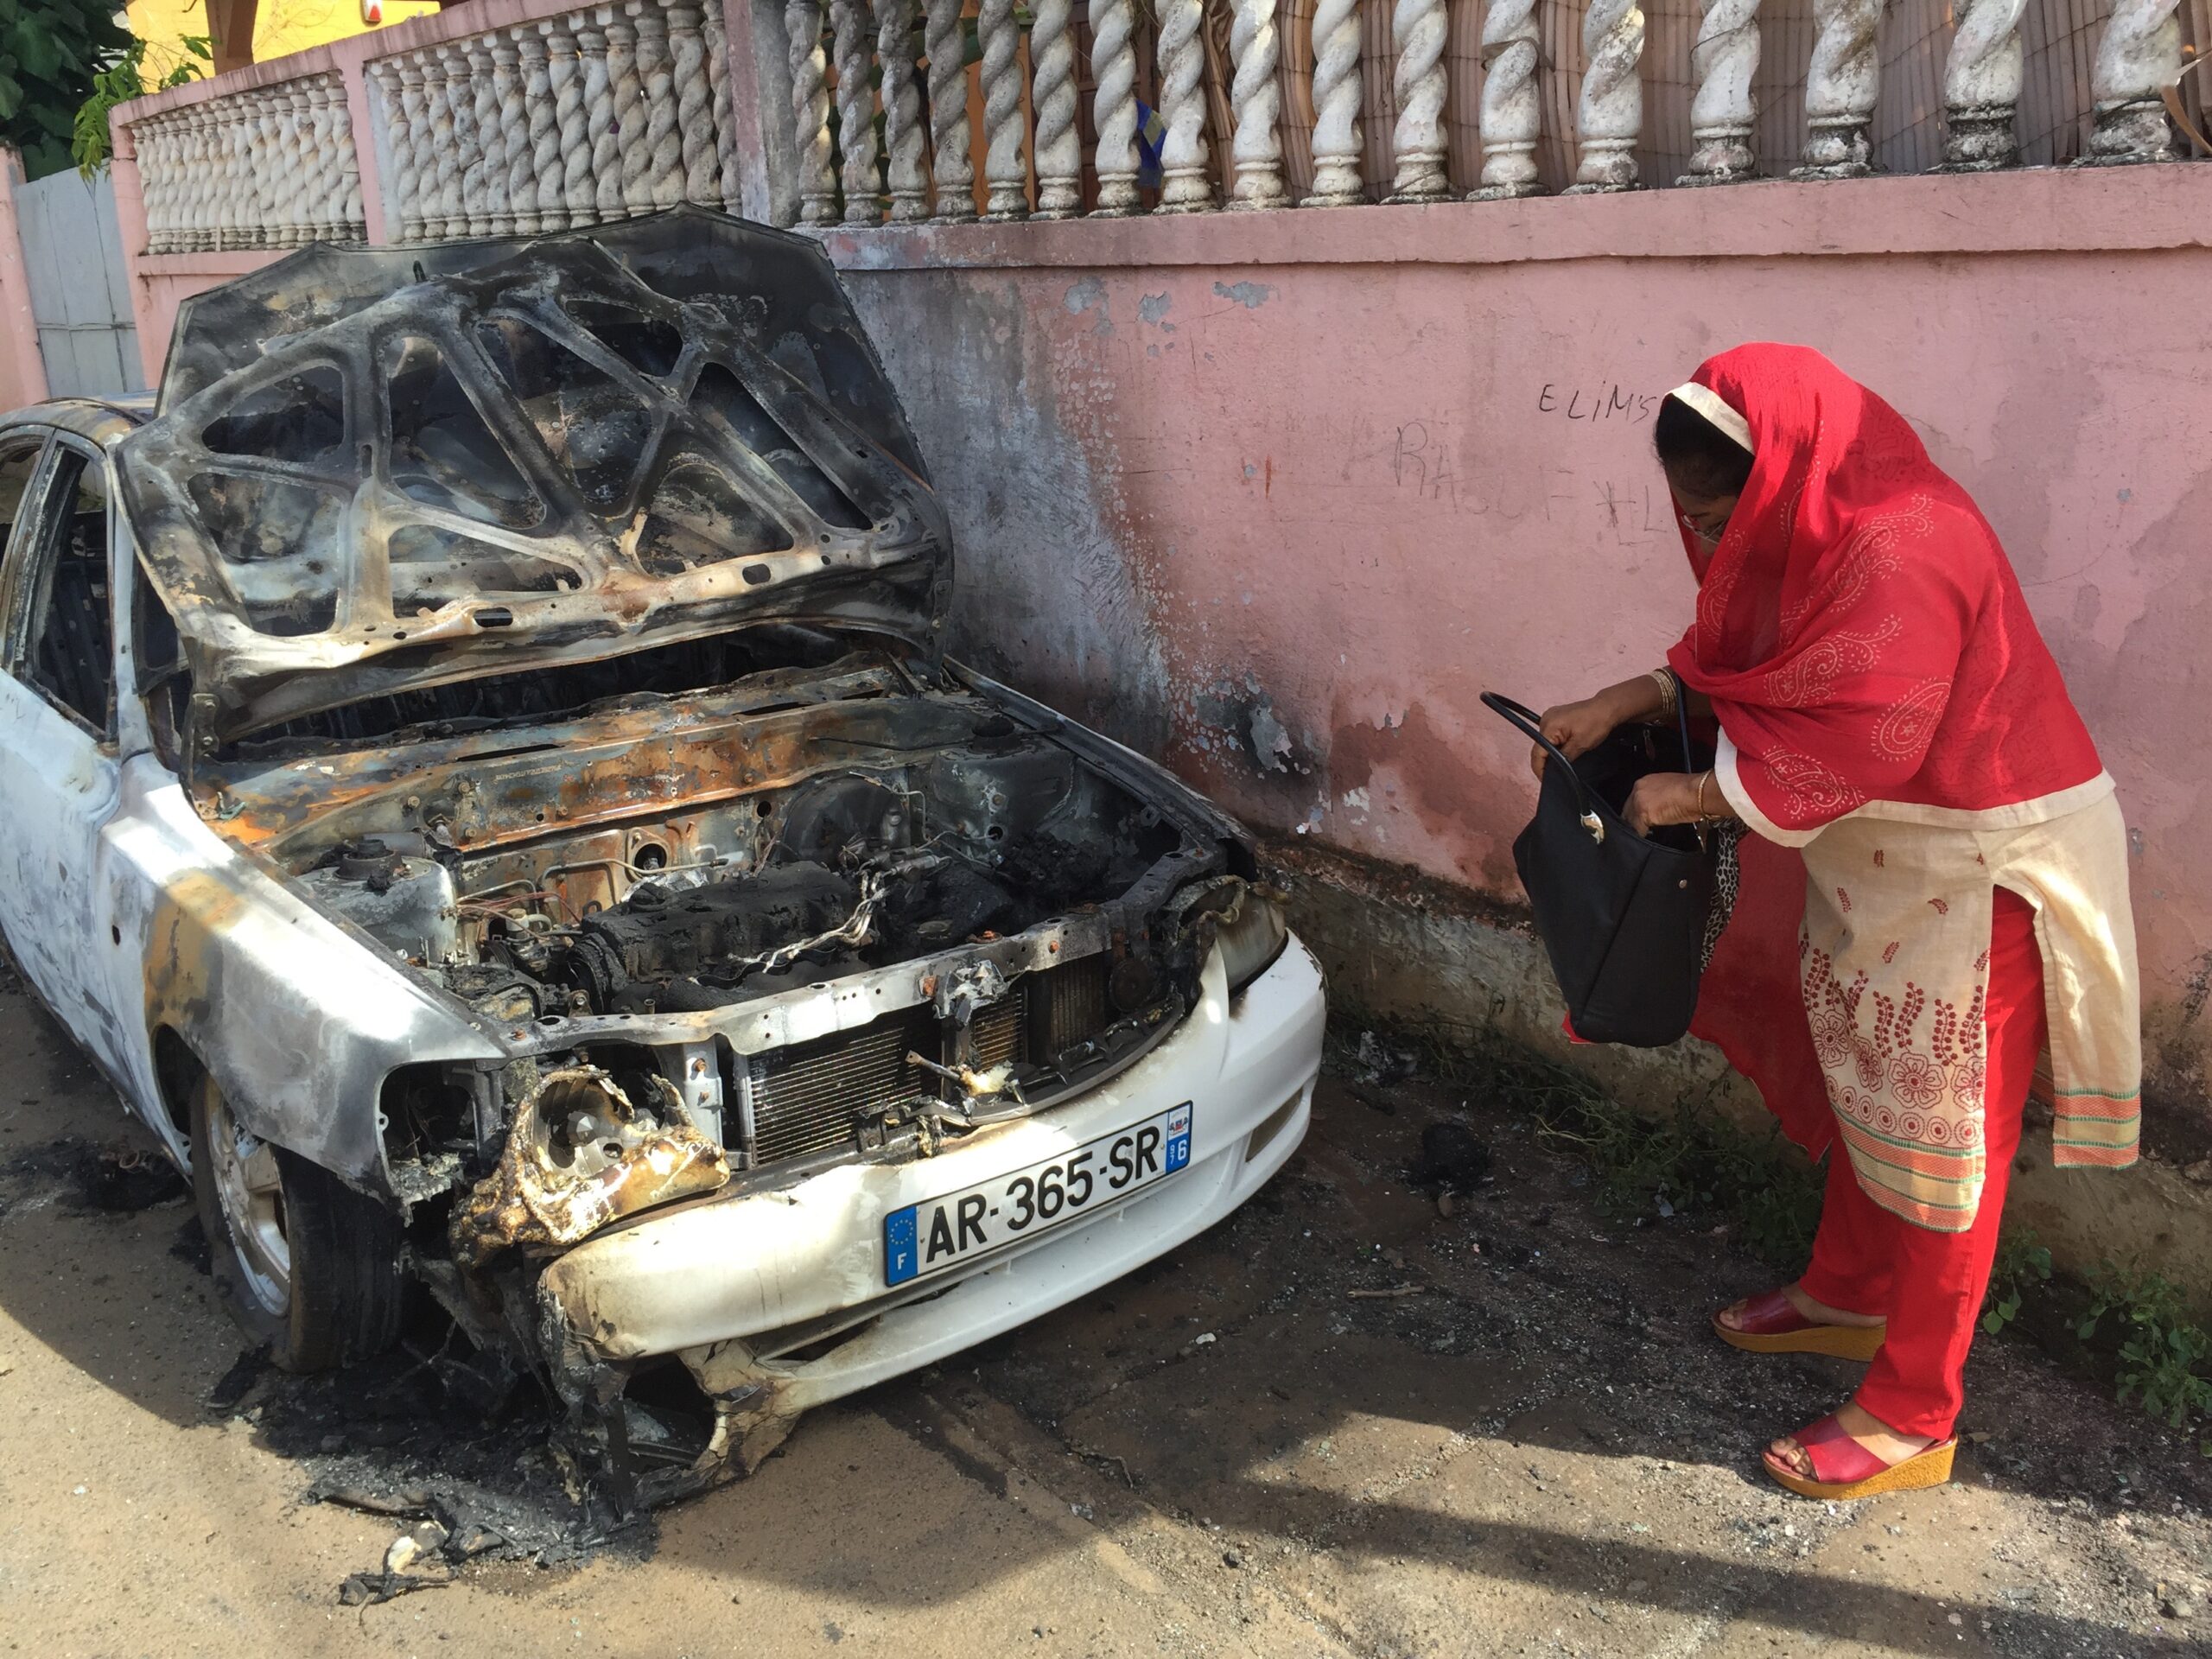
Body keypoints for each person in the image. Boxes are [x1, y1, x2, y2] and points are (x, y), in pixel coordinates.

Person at [1529, 343, 2140, 1501]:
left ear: (1781, 477)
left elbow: (1870, 736)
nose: (1708, 543)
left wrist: (1698, 794)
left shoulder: (1906, 540)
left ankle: (1918, 1413)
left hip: (1975, 863)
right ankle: (1852, 1291)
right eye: (1694, 522)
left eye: (1718, 519)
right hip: (1882, 859)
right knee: (1872, 1082)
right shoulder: (1799, 521)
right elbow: (1746, 656)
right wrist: (1617, 703)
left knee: (1950, 1142)